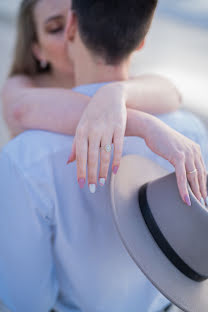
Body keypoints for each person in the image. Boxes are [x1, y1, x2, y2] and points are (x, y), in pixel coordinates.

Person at [0, 0, 207, 311]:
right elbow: (21, 107)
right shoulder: (186, 131)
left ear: (75, 27)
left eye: (68, 19)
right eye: (52, 27)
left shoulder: (29, 158)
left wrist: (117, 96)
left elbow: (27, 300)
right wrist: (139, 124)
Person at [2, 0, 184, 193]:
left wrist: (116, 93)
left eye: (78, 19)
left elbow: (172, 93)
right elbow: (20, 111)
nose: (71, 33)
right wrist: (143, 125)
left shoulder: (114, 84)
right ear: (37, 50)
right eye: (55, 28)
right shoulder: (23, 85)